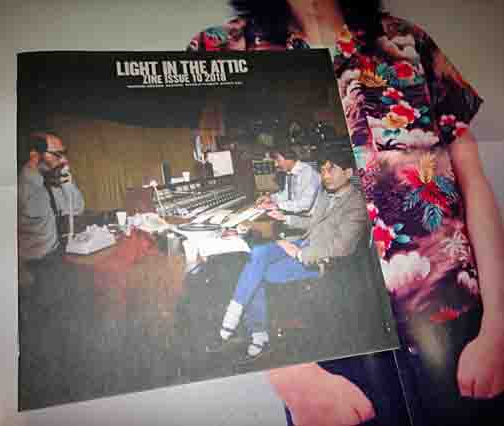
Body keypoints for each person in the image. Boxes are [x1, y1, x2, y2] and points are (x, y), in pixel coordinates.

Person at [189, 1, 504, 425]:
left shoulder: (407, 42)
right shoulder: (219, 50)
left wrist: (499, 325)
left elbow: (474, 186)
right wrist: (293, 378)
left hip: (459, 333)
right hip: (326, 353)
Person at [209, 152, 367, 362]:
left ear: (348, 173)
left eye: (331, 170)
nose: (325, 175)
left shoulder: (357, 204)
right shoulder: (326, 194)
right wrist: (285, 218)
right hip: (304, 243)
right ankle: (233, 318)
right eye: (322, 170)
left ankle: (254, 334)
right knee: (256, 254)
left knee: (256, 272)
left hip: (320, 259)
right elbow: (312, 222)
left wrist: (300, 253)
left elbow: (342, 247)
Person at [18, 131, 85, 262]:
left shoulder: (49, 178)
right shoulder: (23, 188)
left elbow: (77, 209)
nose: (64, 160)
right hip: (34, 263)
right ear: (34, 156)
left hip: (56, 255)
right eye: (58, 155)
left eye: (64, 154)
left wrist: (67, 184)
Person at [256, 145, 320, 213]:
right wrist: (271, 198)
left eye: (278, 160)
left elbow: (305, 204)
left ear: (289, 159)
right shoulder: (290, 173)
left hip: (309, 216)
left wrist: (277, 206)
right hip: (298, 213)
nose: (276, 164)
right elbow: (287, 195)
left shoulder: (307, 173)